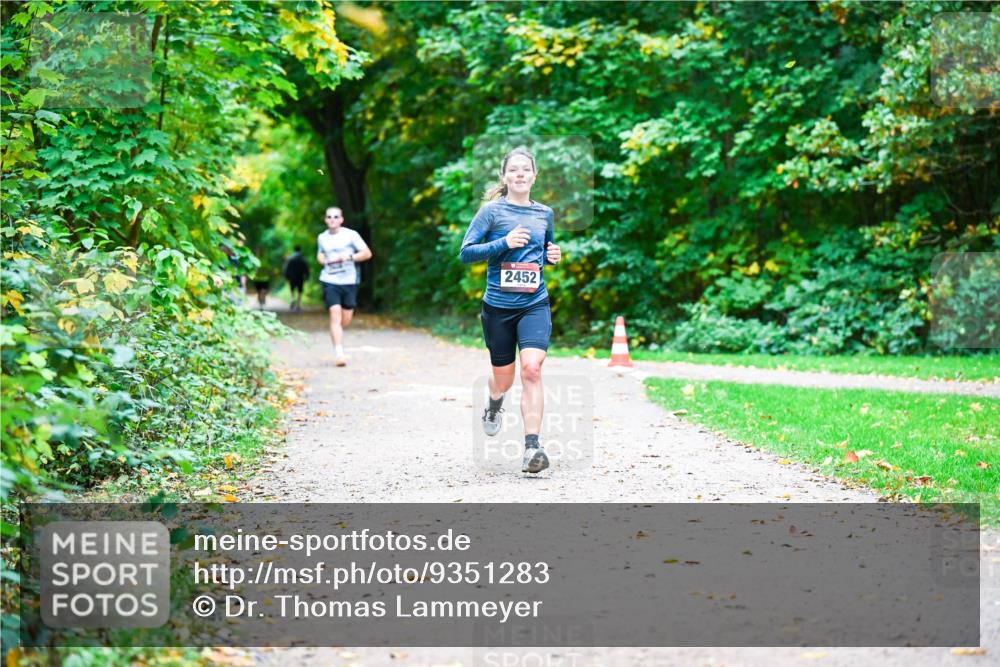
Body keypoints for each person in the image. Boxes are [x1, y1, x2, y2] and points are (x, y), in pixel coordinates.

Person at [458, 148, 562, 474]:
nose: (519, 174)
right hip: (498, 307)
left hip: (534, 303)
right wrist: (504, 243)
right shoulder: (491, 212)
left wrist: (552, 255)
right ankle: (494, 402)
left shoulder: (545, 213)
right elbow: (466, 253)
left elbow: (542, 252)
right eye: (513, 170)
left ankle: (532, 448)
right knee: (503, 380)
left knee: (531, 369)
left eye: (525, 169)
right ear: (505, 176)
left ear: (534, 175)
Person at [316, 206, 372, 366]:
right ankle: (339, 354)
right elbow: (320, 254)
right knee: (335, 314)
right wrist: (322, 259)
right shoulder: (322, 237)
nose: (332, 219)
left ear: (341, 219)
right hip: (329, 280)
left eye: (335, 216)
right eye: (329, 217)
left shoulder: (351, 235)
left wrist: (349, 257)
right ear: (325, 220)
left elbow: (367, 253)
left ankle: (336, 332)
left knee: (345, 319)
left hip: (349, 281)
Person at [283, 246, 309, 312]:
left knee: (292, 288)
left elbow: (286, 268)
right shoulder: (303, 258)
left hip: (292, 277)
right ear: (300, 250)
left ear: (294, 250)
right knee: (300, 290)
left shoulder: (290, 258)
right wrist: (307, 276)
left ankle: (292, 299)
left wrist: (286, 276)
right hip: (300, 277)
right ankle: (299, 304)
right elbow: (306, 268)